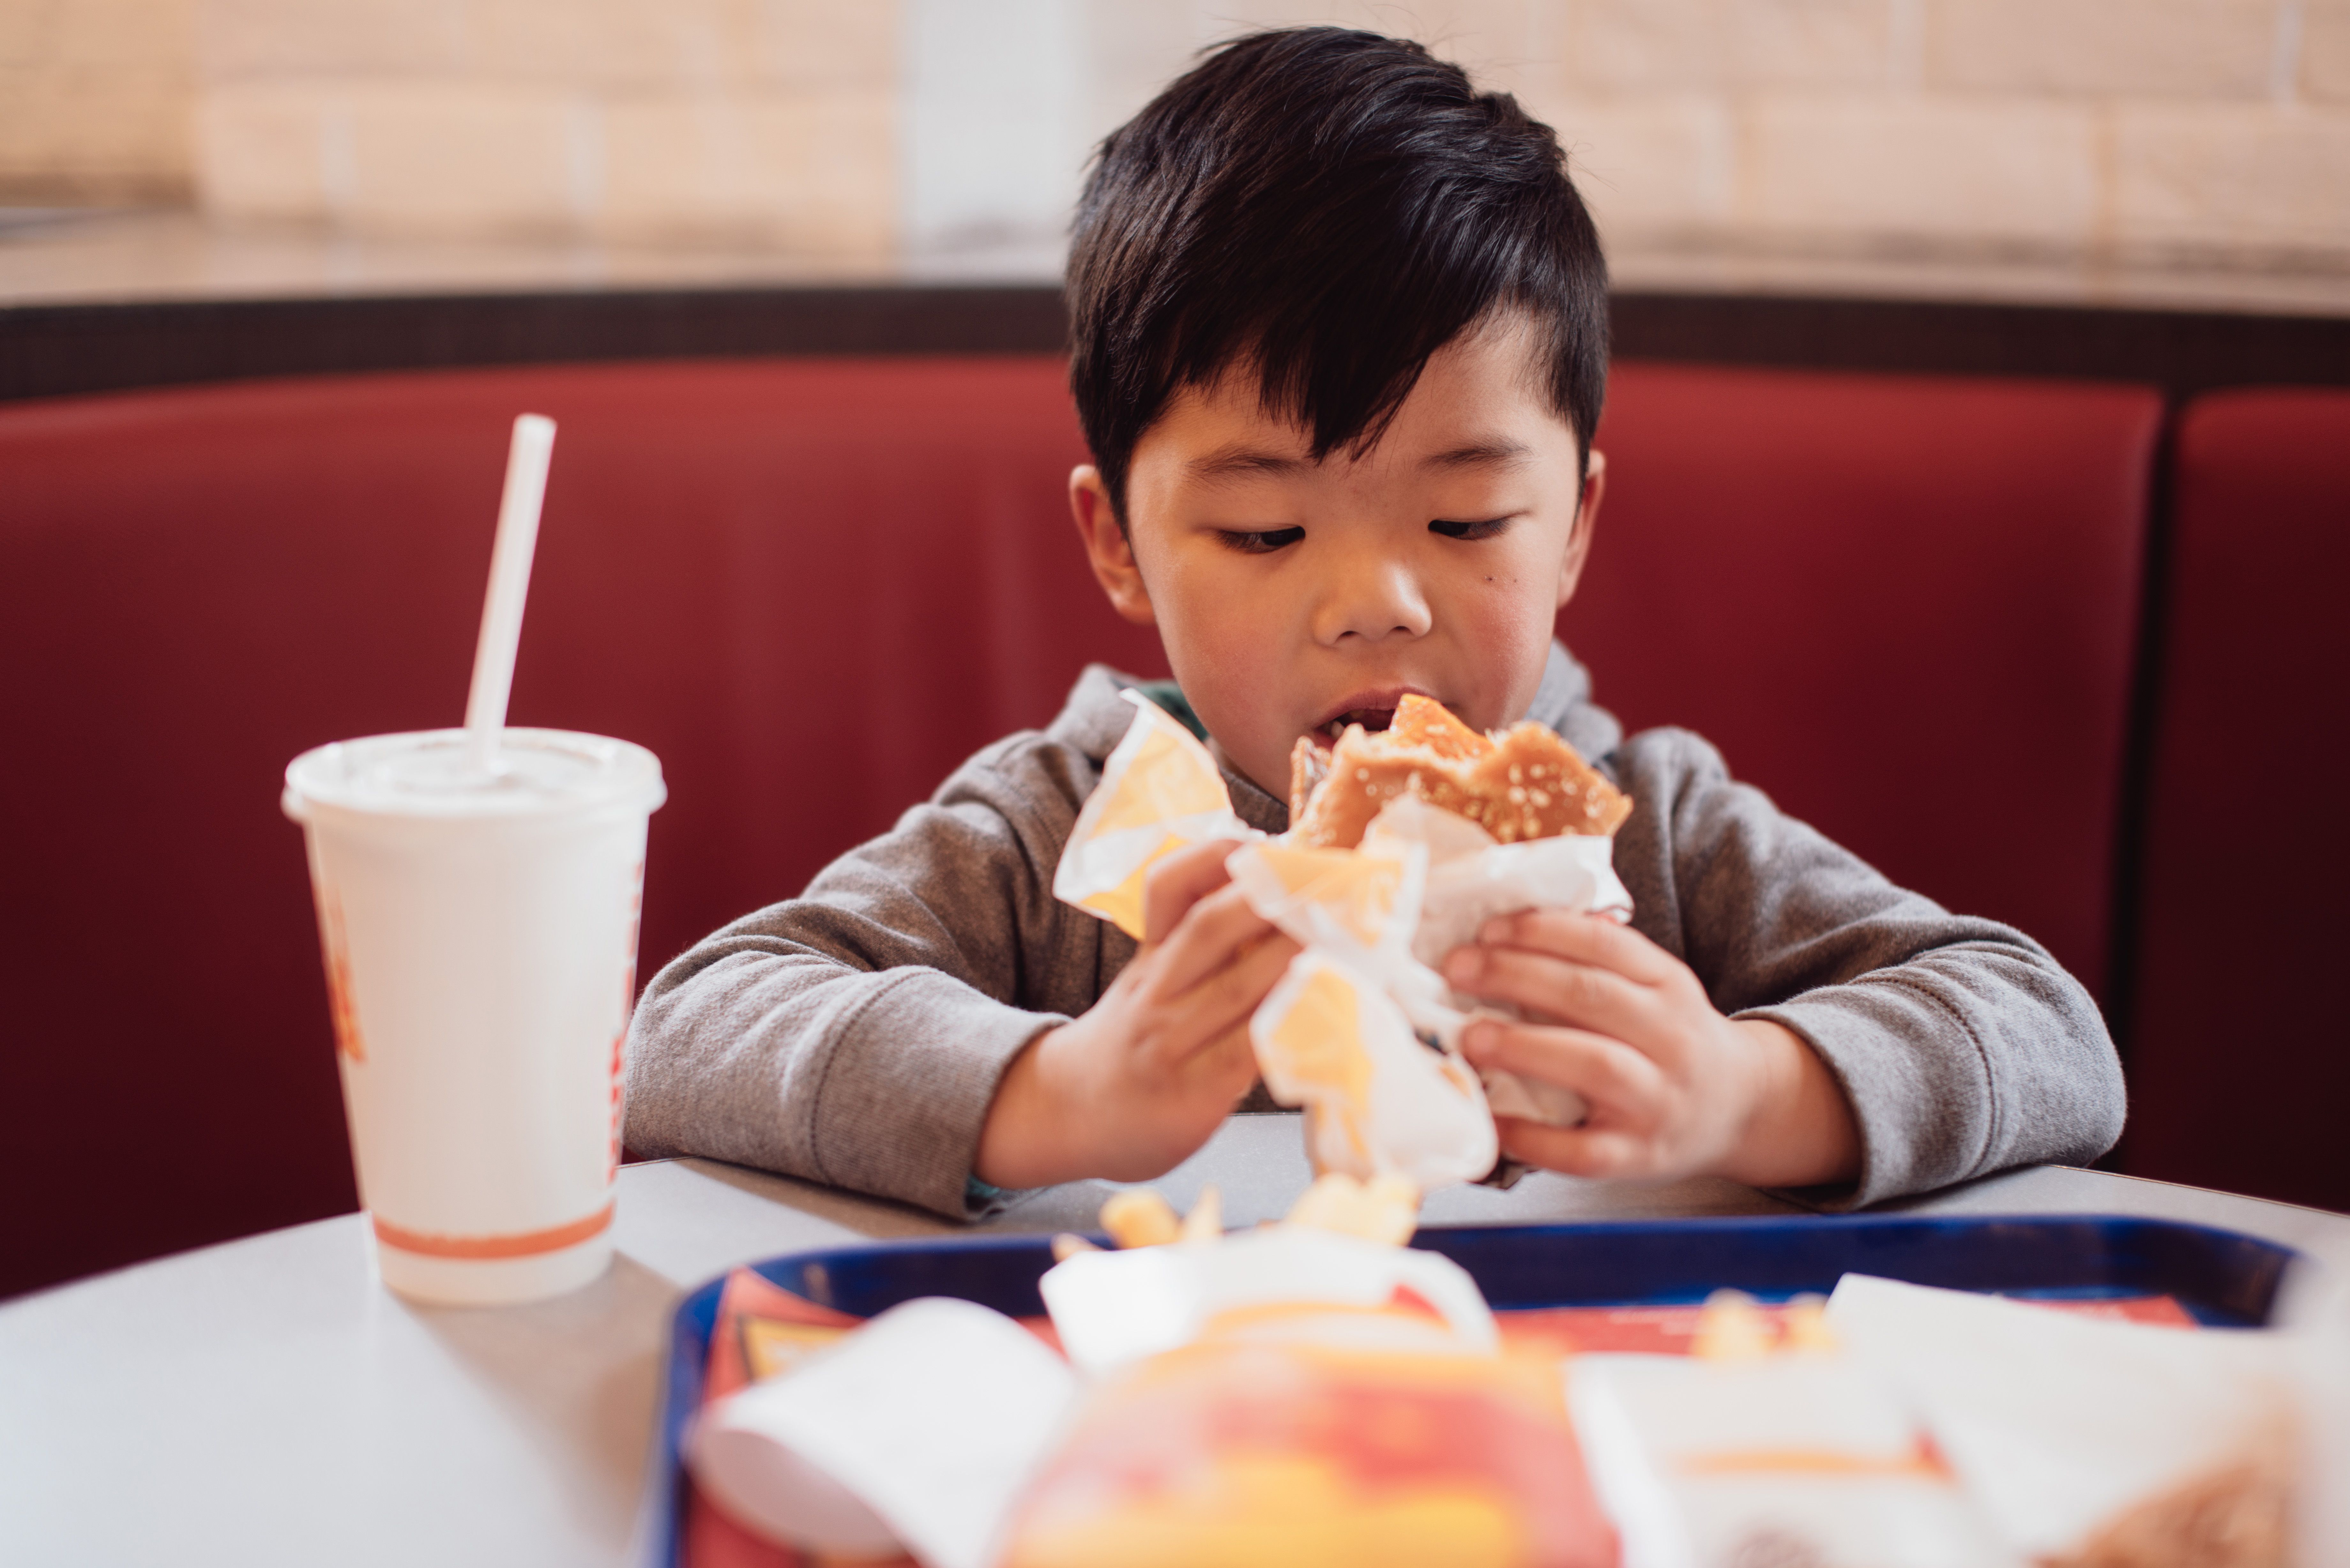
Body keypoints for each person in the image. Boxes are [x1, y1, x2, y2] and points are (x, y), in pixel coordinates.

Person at [623, 27, 2123, 1217]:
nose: (1378, 602)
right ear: (1121, 546)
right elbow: (692, 1030)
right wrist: (1064, 1089)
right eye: (1265, 528)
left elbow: (2049, 1032)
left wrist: (1742, 1089)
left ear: (1577, 524)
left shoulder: (1650, 830)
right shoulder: (1058, 837)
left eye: (1464, 522)